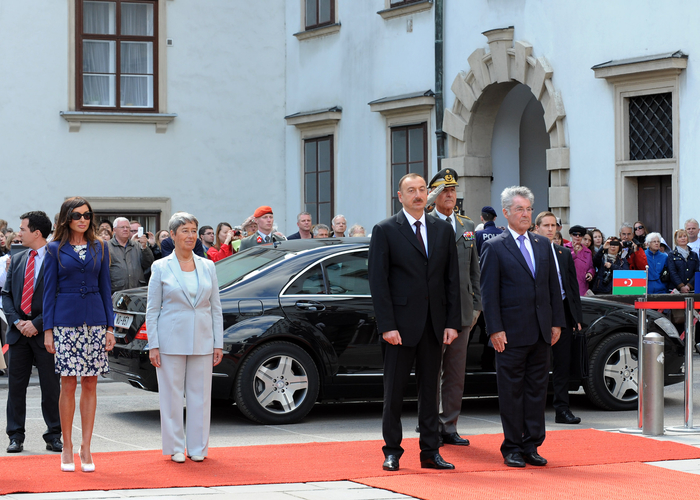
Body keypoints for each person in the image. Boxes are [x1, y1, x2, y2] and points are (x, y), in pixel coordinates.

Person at [368, 173, 460, 472]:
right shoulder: (385, 229)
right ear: (400, 196)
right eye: (411, 190)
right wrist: (386, 325)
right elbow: (378, 282)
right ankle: (392, 450)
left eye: (422, 190)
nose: (418, 195)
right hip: (399, 327)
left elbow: (451, 280)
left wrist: (451, 322)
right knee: (394, 392)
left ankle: (430, 452)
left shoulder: (442, 230)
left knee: (430, 391)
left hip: (434, 325)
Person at [480, 186, 565, 468]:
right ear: (506, 213)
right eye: (520, 209)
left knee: (537, 391)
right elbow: (488, 294)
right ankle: (513, 447)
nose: (526, 214)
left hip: (541, 332)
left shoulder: (543, 245)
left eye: (529, 209)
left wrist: (556, 323)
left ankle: (532, 444)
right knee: (511, 392)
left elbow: (553, 288)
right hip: (510, 334)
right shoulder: (494, 246)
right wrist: (494, 329)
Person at [43, 197, 115, 472]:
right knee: (68, 383)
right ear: (66, 219)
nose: (82, 219)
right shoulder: (54, 249)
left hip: (95, 321)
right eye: (76, 215)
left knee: (90, 383)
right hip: (65, 322)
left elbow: (106, 288)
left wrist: (110, 327)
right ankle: (68, 446)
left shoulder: (101, 247)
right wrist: (48, 330)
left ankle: (86, 447)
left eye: (87, 215)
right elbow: (49, 292)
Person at [146, 213, 223, 463]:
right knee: (171, 394)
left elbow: (215, 307)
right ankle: (176, 447)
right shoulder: (160, 266)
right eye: (185, 231)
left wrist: (218, 342)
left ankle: (198, 447)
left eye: (193, 231)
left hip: (202, 337)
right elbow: (152, 308)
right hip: (170, 338)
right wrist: (153, 344)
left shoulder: (207, 265)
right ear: (174, 235)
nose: (190, 236)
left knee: (200, 394)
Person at [426, 168, 481, 446]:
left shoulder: (467, 225)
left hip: (462, 311)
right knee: (431, 370)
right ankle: (429, 424)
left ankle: (449, 425)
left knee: (456, 372)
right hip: (434, 311)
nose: (450, 195)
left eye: (453, 190)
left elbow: (475, 270)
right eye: (444, 191)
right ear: (434, 194)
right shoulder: (424, 223)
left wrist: (476, 307)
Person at [2, 211, 62, 454]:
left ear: (37, 233)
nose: (18, 233)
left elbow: (59, 298)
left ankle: (54, 434)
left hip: (44, 332)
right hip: (18, 335)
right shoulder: (17, 260)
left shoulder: (57, 259)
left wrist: (36, 323)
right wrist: (17, 322)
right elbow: (6, 295)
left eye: (23, 229)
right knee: (16, 388)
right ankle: (15, 436)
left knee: (51, 387)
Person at [534, 212, 583, 425]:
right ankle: (533, 410)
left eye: (554, 225)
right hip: (538, 313)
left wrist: (576, 317)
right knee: (538, 364)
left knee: (562, 364)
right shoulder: (530, 252)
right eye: (546, 225)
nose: (550, 229)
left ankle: (562, 409)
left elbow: (572, 288)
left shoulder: (563, 253)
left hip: (562, 312)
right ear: (536, 228)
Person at [108, 217, 154, 292]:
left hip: (136, 292)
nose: (125, 229)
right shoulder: (107, 247)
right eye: (122, 227)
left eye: (127, 227)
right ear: (114, 230)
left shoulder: (138, 246)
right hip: (116, 291)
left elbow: (148, 264)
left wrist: (144, 247)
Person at [565, 225, 594, 296]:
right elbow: (564, 263)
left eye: (580, 235)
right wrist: (574, 253)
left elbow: (591, 267)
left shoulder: (588, 251)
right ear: (571, 235)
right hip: (569, 285)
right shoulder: (564, 248)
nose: (577, 237)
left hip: (583, 286)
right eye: (575, 234)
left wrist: (590, 273)